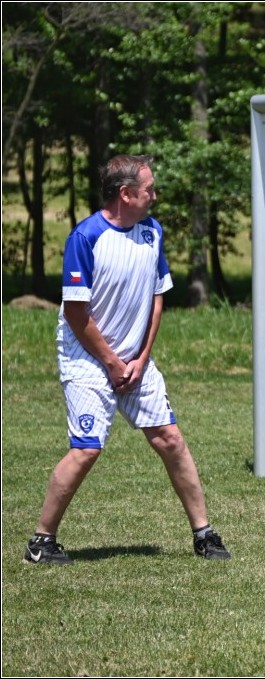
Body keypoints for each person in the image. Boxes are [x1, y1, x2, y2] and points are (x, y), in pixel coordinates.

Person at [23, 154, 231, 565]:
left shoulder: (152, 232)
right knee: (87, 449)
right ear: (126, 193)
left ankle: (204, 534)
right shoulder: (85, 238)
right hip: (87, 360)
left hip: (136, 362)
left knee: (170, 439)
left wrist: (140, 358)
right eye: (149, 189)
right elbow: (75, 315)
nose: (155, 196)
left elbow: (157, 299)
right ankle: (41, 542)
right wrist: (113, 364)